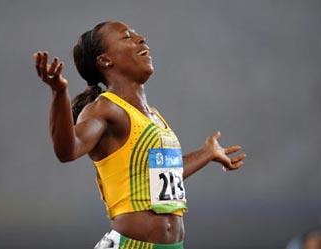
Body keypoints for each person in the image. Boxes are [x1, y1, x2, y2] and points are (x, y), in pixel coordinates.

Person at [33, 20, 246, 249]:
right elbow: (68, 150)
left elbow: (158, 179)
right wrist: (59, 92)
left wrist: (207, 153)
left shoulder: (154, 118)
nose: (140, 38)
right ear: (105, 60)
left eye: (136, 34)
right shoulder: (104, 109)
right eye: (126, 37)